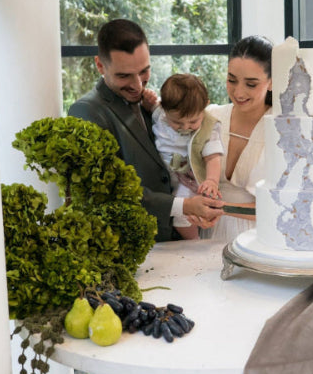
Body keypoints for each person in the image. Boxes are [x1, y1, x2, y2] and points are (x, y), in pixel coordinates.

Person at [68, 19, 224, 242]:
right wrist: (185, 205)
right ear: (100, 65)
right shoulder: (86, 111)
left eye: (144, 71)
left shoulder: (152, 104)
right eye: (124, 76)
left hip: (171, 240)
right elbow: (109, 192)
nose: (137, 85)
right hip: (131, 245)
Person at [202, 35, 273, 242]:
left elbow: (283, 206)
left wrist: (219, 208)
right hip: (207, 232)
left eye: (251, 84)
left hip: (257, 238)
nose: (238, 92)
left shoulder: (282, 128)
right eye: (231, 80)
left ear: (271, 82)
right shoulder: (211, 117)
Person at [141, 74, 224, 241]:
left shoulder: (209, 128)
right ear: (164, 109)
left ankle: (193, 241)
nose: (185, 127)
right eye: (178, 123)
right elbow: (150, 106)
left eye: (193, 121)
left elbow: (213, 157)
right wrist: (147, 100)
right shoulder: (159, 113)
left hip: (187, 177)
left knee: (183, 215)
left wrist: (212, 181)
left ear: (205, 106)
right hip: (161, 176)